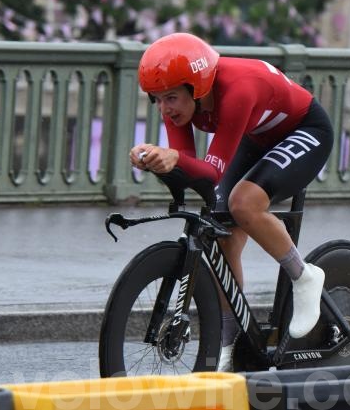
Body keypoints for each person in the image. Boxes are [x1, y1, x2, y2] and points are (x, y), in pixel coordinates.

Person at [130, 32, 334, 372]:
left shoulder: (237, 90)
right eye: (157, 100)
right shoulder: (178, 100)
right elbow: (188, 166)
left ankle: (304, 276)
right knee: (221, 228)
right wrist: (155, 160)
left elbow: (209, 172)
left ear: (197, 88)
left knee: (243, 204)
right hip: (256, 136)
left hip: (305, 130)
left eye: (171, 98)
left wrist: (174, 159)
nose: (165, 109)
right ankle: (230, 340)